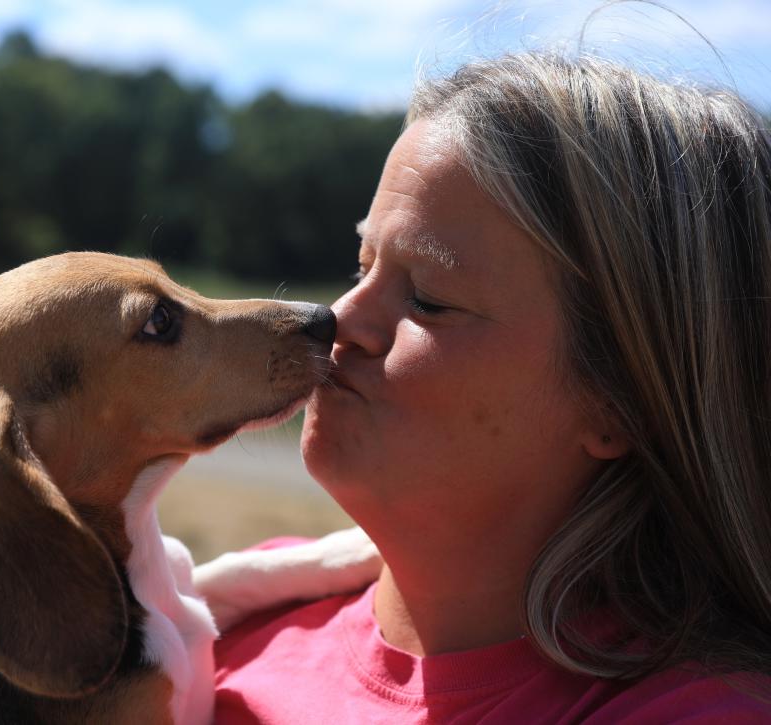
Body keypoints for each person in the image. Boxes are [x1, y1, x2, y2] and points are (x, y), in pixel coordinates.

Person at [209, 50, 771, 723]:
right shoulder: (234, 604)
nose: (338, 320)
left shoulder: (694, 712)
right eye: (362, 266)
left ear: (620, 401)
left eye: (428, 298)